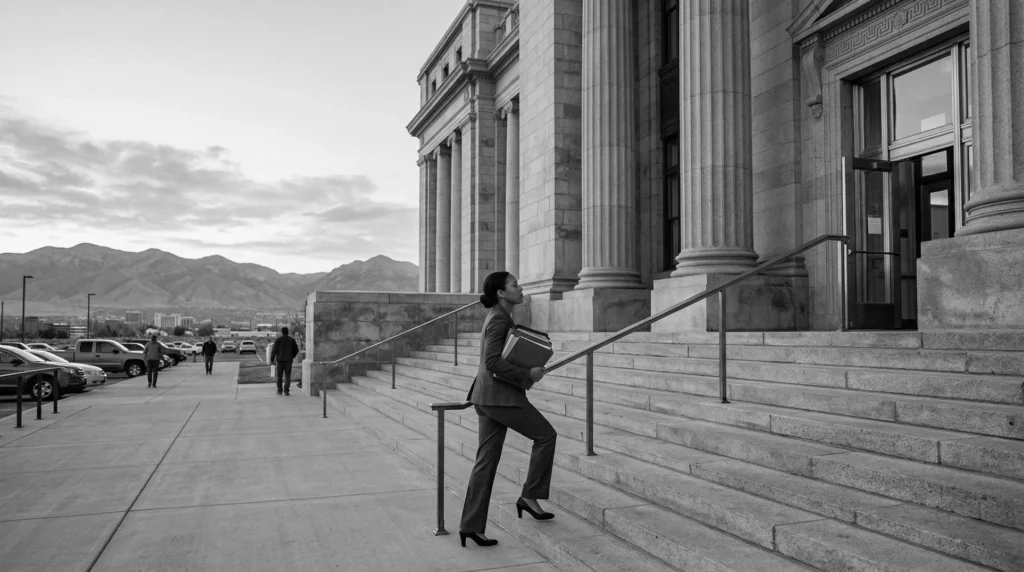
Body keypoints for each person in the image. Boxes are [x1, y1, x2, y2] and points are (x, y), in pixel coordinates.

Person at [459, 271, 555, 548]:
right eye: (515, 285)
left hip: (487, 396)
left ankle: (470, 527)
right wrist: (528, 373)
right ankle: (529, 496)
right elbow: (491, 361)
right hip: (500, 398)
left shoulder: (499, 315)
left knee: (485, 463)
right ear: (501, 293)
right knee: (546, 436)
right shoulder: (499, 319)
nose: (520, 288)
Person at [270, 326, 300, 396]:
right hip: (288, 361)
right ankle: (286, 391)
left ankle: (279, 390)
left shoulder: (278, 340)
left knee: (279, 376)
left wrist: (272, 359)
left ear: (281, 332)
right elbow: (296, 350)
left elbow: (274, 351)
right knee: (287, 376)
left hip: (280, 361)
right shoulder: (292, 340)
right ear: (288, 332)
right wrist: (292, 356)